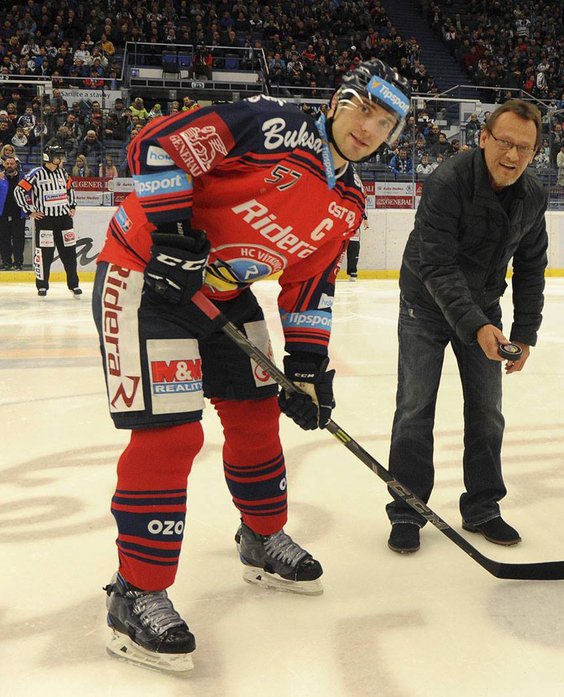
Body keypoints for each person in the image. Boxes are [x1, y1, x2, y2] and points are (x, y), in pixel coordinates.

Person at [89, 59, 410, 672]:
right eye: (364, 109)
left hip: (221, 294)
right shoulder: (271, 124)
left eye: (386, 122)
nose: (370, 128)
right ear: (338, 101)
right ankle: (135, 592)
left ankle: (262, 538)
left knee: (258, 413)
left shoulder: (347, 202)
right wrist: (174, 228)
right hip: (143, 278)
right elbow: (154, 144)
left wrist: (310, 366)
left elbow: (310, 284)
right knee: (172, 434)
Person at [385, 99, 548, 554]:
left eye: (525, 148)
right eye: (505, 143)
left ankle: (482, 508)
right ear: (482, 139)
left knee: (487, 412)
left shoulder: (533, 195)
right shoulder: (447, 183)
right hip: (425, 305)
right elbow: (436, 265)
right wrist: (476, 325)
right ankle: (407, 511)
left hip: (483, 307)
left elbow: (532, 267)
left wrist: (525, 334)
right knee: (415, 409)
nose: (513, 156)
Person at [13, 145, 82, 296]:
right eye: (58, 155)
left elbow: (71, 188)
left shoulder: (62, 172)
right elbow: (19, 190)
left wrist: (72, 205)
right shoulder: (36, 174)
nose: (60, 158)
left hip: (64, 219)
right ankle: (42, 286)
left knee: (69, 253)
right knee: (45, 254)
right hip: (45, 220)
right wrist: (29, 211)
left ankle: (74, 284)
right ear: (49, 157)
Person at [0, 155, 27, 270]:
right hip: (3, 214)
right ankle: (6, 262)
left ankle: (18, 263)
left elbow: (29, 192)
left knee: (18, 239)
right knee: (3, 239)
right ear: (4, 165)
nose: (9, 166)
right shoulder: (0, 177)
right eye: (7, 164)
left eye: (12, 164)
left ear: (16, 165)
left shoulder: (24, 177)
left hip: (19, 214)